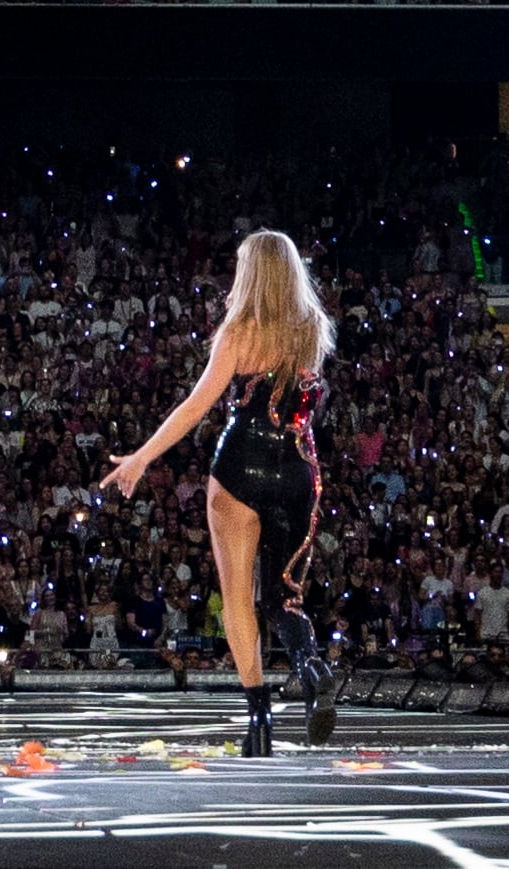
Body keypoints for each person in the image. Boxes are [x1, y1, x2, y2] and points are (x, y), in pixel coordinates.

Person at [98, 228, 336, 755]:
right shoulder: (313, 328)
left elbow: (194, 406)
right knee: (284, 595)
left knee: (237, 600)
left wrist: (141, 457)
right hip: (299, 470)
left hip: (240, 469)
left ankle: (259, 719)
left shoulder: (238, 334)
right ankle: (311, 665)